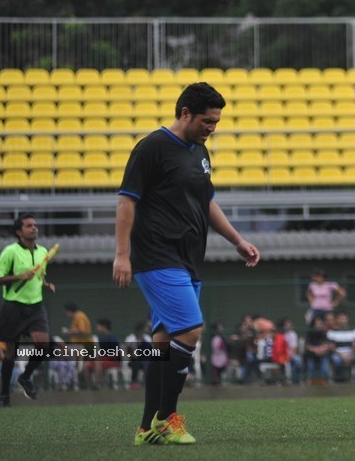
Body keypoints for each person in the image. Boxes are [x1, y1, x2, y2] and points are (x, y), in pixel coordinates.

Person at [113, 82, 260, 445]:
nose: (213, 128)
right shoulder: (152, 148)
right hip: (157, 256)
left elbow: (206, 202)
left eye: (216, 122)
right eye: (208, 121)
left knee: (163, 342)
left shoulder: (201, 152)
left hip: (190, 258)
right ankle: (167, 418)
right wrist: (121, 253)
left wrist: (237, 240)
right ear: (185, 114)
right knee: (192, 330)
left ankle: (146, 428)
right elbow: (126, 201)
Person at [0, 213, 56, 406]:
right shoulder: (10, 252)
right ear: (19, 232)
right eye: (29, 226)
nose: (34, 228)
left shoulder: (43, 251)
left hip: (36, 306)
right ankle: (4, 395)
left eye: (35, 225)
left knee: (44, 346)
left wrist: (45, 284)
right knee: (10, 352)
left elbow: (39, 275)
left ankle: (25, 377)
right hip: (13, 307)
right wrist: (18, 277)